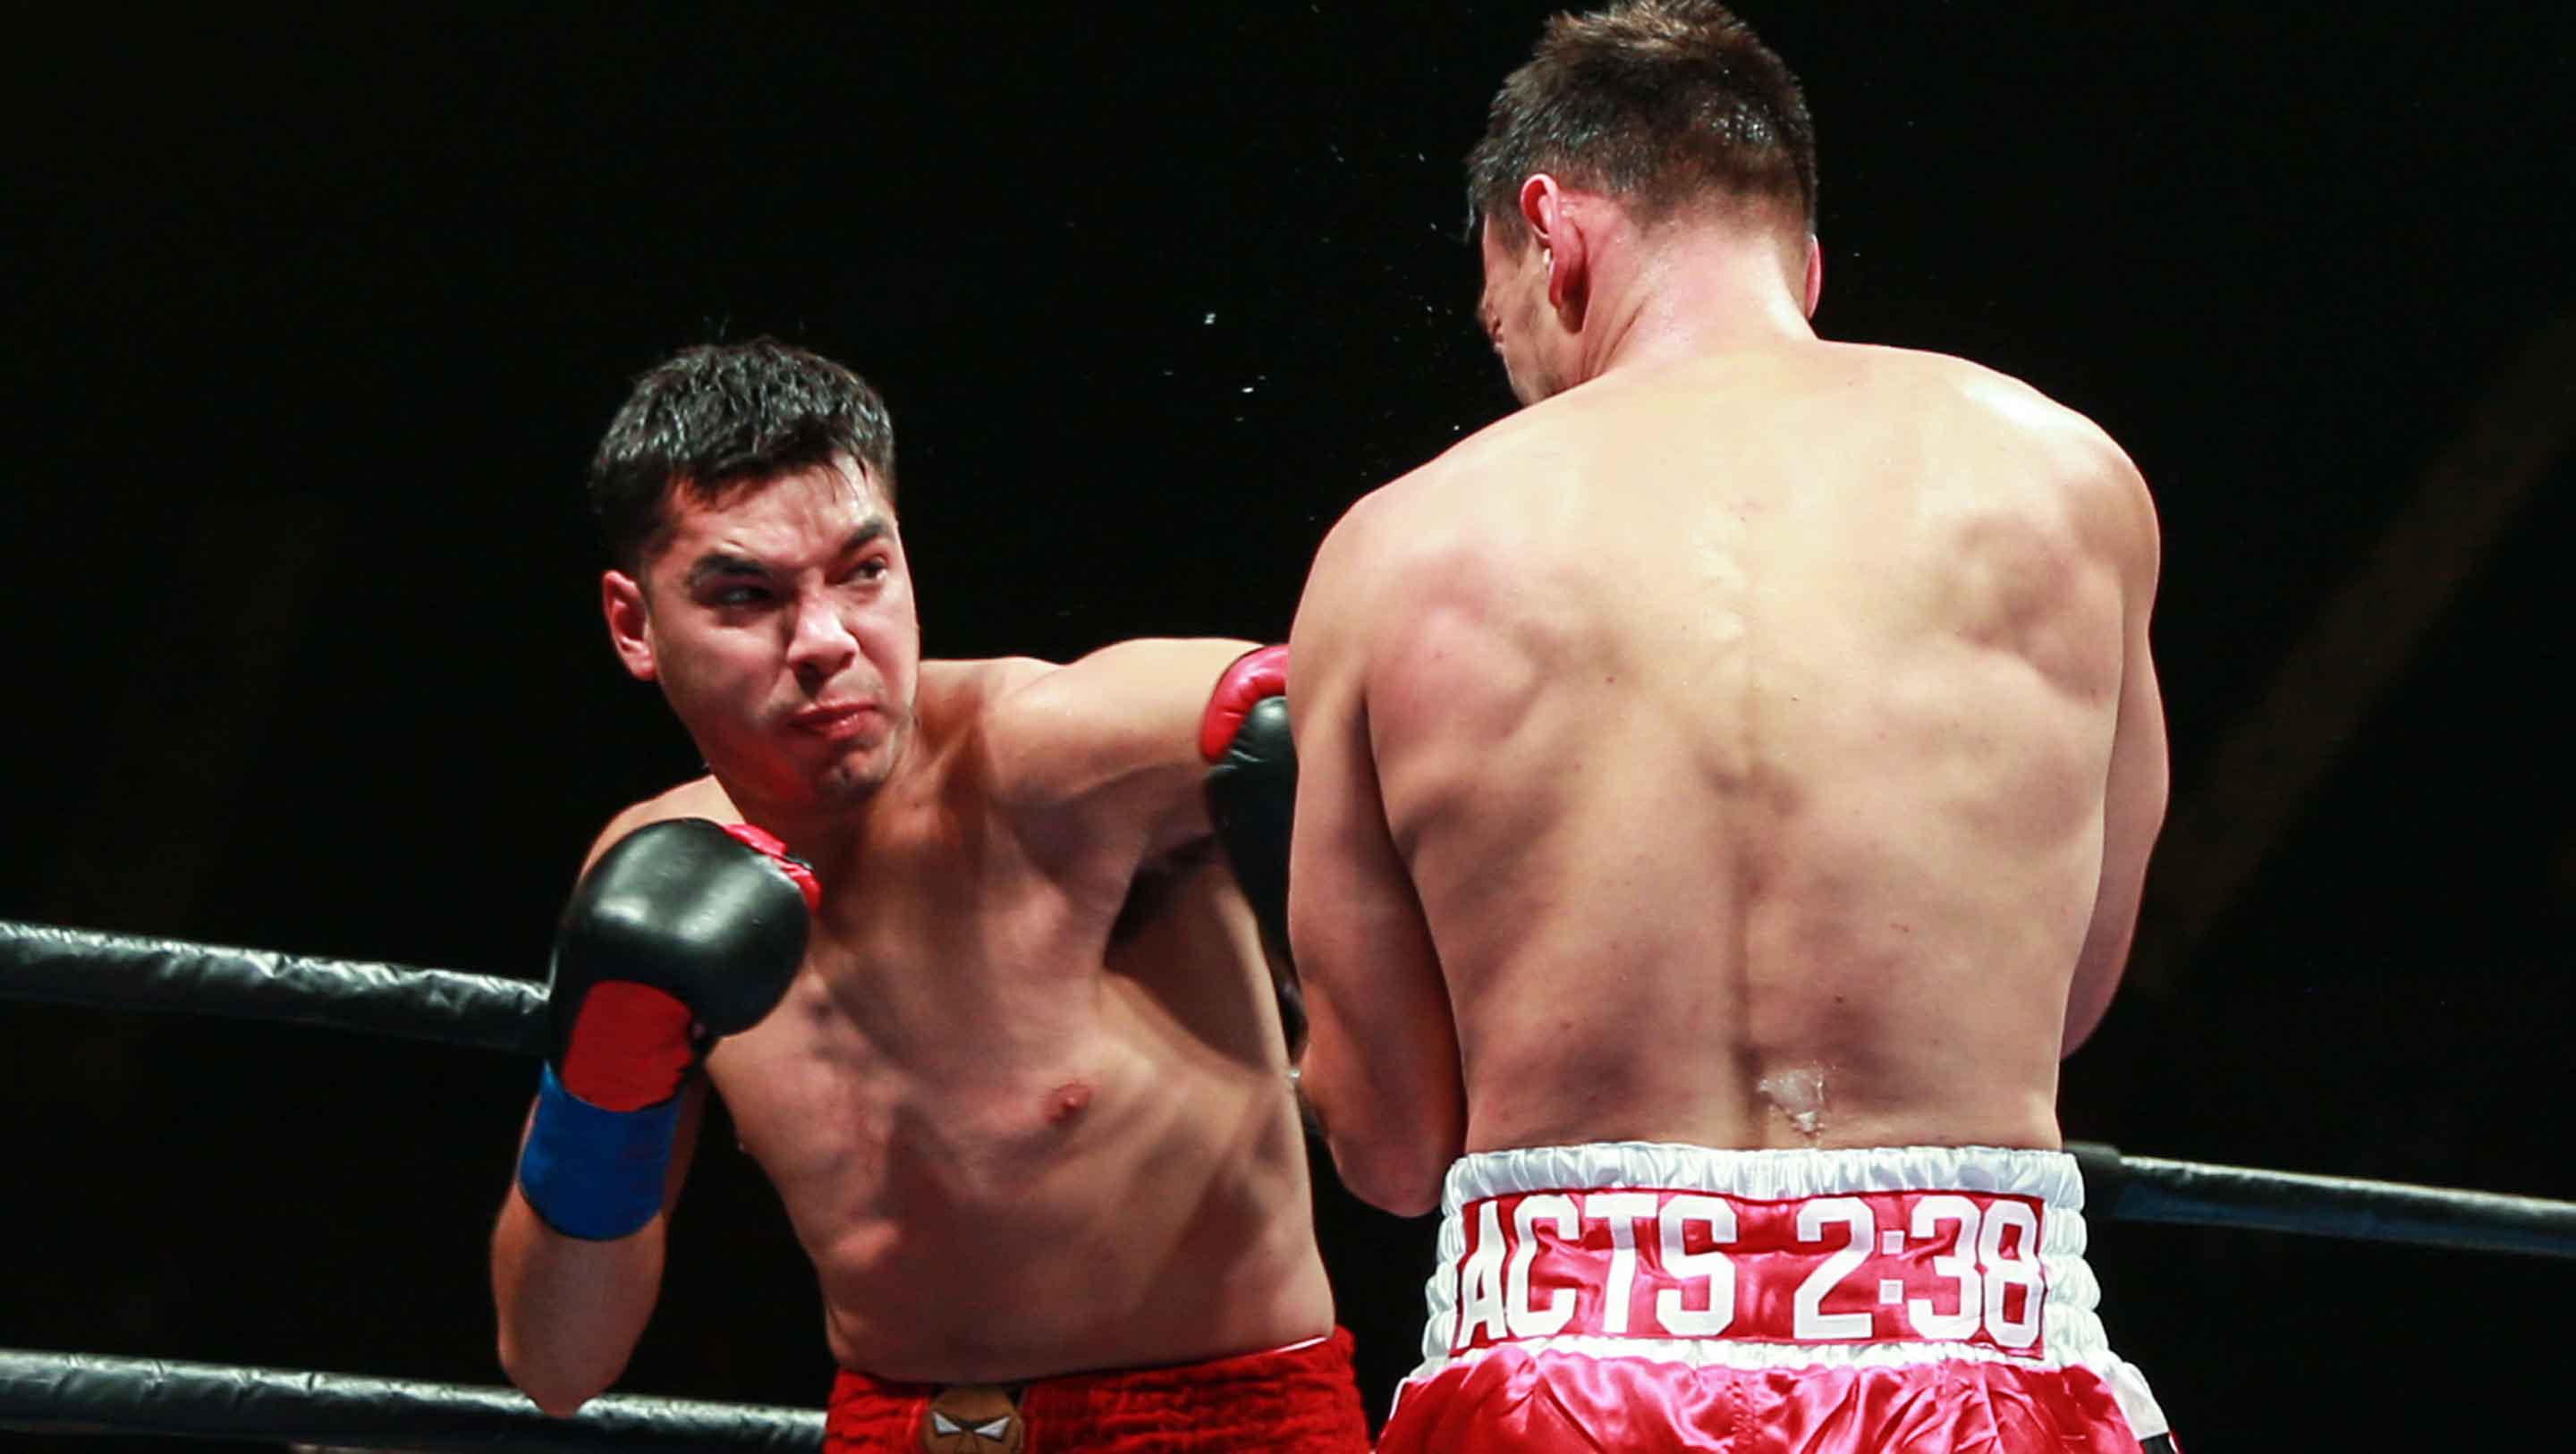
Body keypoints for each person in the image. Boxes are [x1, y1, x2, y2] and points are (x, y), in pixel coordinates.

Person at [1283, 4, 2176, 1450]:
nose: (1503, 349)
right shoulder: (2071, 485)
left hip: (1561, 1383)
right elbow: (2067, 997)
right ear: (1804, 268)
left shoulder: (1400, 553)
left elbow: (1387, 1149)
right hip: (1977, 1367)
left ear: (1550, 233)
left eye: (1496, 309)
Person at [489, 339, 1367, 1452]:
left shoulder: (1065, 756)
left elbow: (1376, 696)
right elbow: (556, 1363)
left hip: (1217, 1421)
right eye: (747, 595)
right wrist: (601, 1085)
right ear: (633, 625)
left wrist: (1310, 770)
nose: (825, 641)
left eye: (864, 572)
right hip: (884, 1427)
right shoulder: (654, 865)